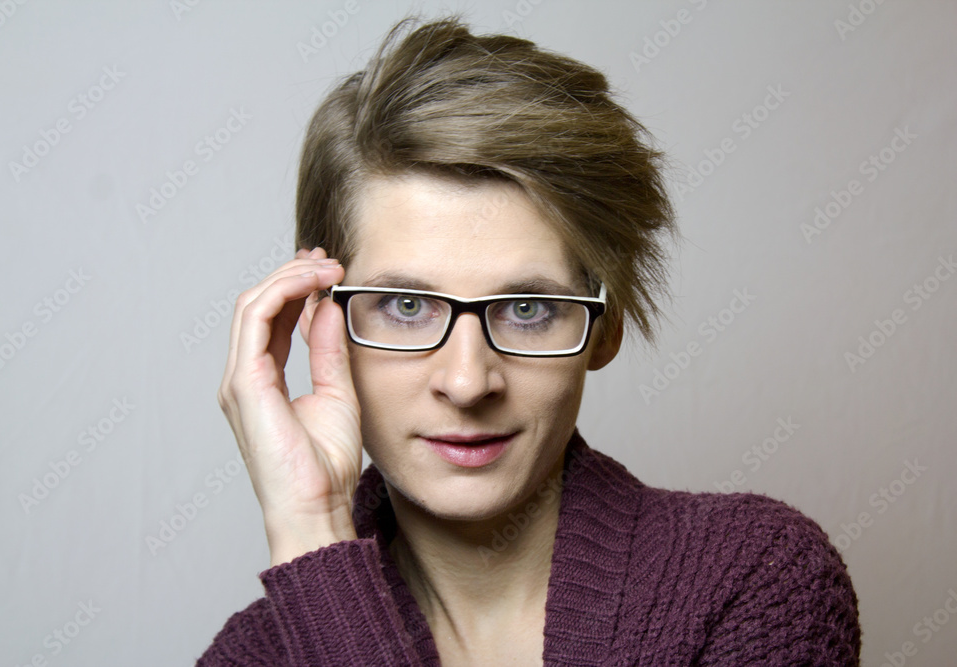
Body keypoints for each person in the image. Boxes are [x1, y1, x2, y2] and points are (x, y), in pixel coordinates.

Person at [198, 17, 860, 666]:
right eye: (406, 305)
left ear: (606, 324)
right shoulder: (251, 656)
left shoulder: (754, 578)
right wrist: (311, 524)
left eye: (527, 307)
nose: (466, 381)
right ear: (320, 322)